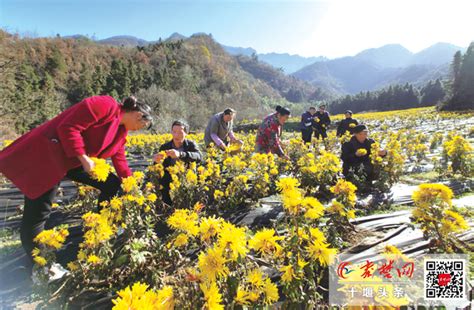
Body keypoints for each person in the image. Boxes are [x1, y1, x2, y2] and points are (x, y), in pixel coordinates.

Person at [0, 95, 153, 266]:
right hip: (49, 155)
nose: (139, 130)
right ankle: (43, 266)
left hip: (72, 161)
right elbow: (68, 127)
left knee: (112, 184)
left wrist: (131, 185)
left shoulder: (121, 130)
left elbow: (120, 160)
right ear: (139, 116)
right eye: (143, 126)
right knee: (38, 214)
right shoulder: (105, 105)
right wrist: (84, 158)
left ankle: (102, 227)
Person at [154, 120, 202, 205]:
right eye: (174, 132)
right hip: (169, 179)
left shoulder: (191, 145)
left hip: (186, 177)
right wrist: (156, 162)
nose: (176, 135)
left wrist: (180, 154)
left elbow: (199, 157)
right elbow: (158, 166)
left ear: (186, 133)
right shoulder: (165, 147)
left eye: (180, 132)